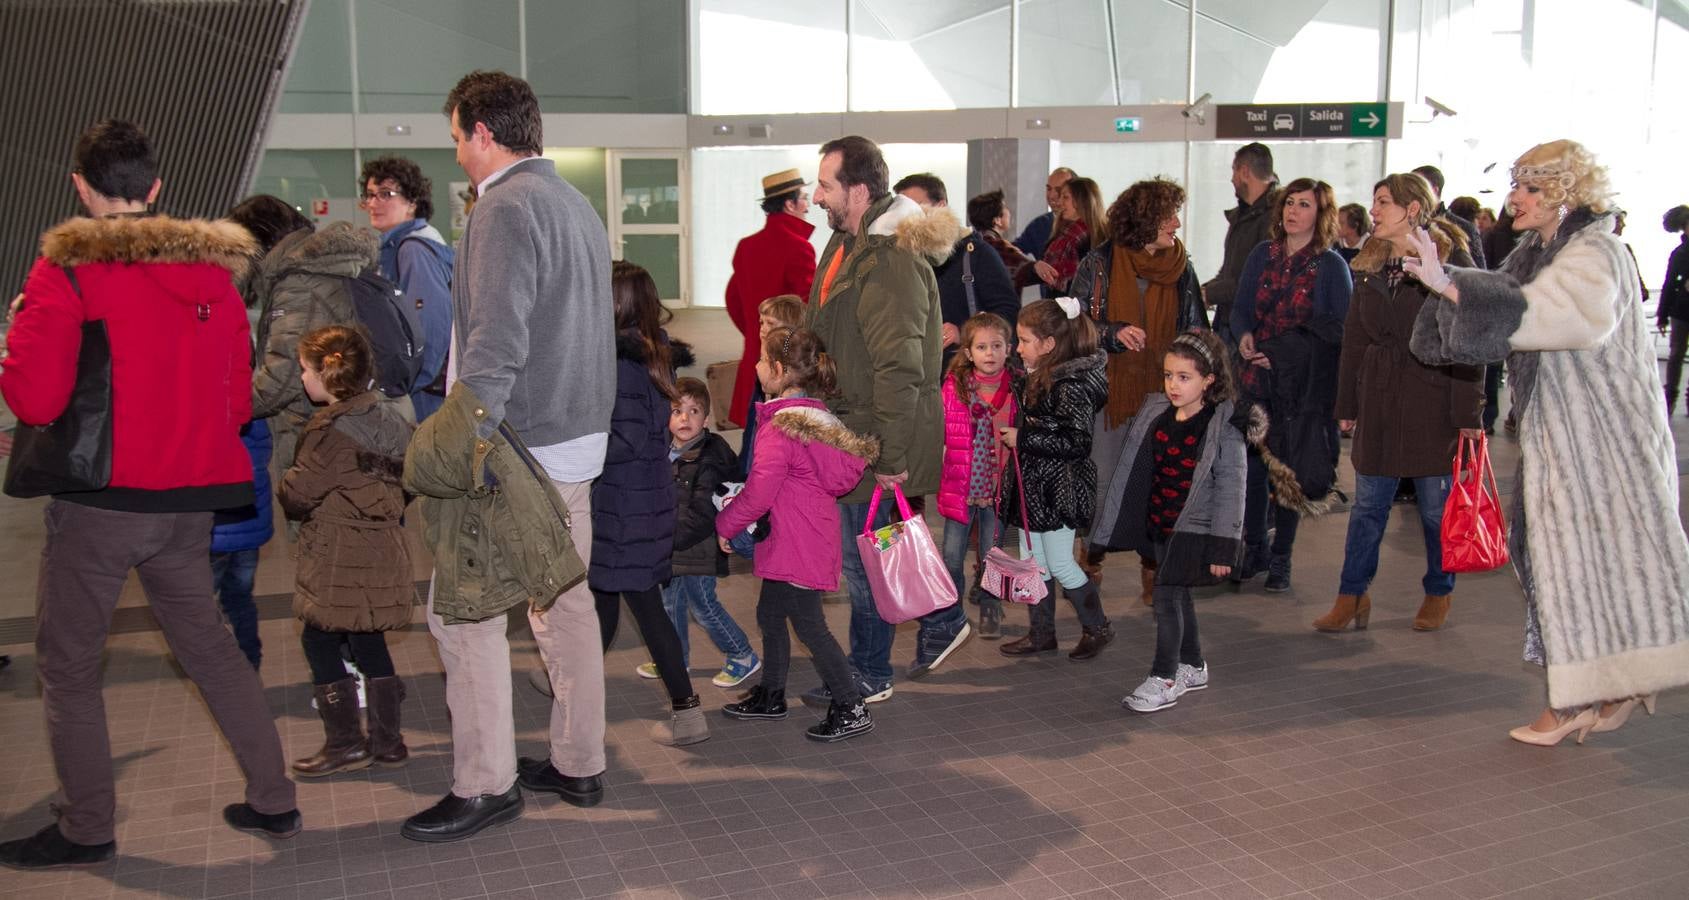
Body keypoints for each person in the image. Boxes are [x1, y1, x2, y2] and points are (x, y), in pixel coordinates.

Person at [0, 120, 299, 869]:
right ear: (156, 189)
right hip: (190, 502)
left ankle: (86, 825)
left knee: (67, 664)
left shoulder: (63, 274)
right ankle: (274, 798)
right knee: (211, 650)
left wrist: (15, 343)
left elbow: (36, 401)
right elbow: (235, 403)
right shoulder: (214, 279)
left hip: (101, 504)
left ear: (80, 187)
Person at [1405, 139, 1689, 746]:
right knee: (1573, 564)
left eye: (1531, 188)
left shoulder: (1598, 250)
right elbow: (1501, 304)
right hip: (1567, 439)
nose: (1515, 199)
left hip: (1603, 442)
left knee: (1584, 565)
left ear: (1563, 193)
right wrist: (1446, 281)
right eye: (1517, 185)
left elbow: (1566, 316)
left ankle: (1573, 699)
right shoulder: (1538, 252)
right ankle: (1607, 688)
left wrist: (1452, 286)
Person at [402, 71, 613, 843]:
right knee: (563, 603)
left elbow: (493, 350)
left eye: (457, 135)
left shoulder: (503, 209)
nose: (456, 151)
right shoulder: (573, 203)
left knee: (462, 615)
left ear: (483, 132)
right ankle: (579, 761)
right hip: (575, 443)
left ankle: (485, 783)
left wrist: (451, 449)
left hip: (515, 449)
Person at [806, 135, 957, 704]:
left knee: (867, 564)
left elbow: (901, 367)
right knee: (865, 559)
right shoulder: (848, 244)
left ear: (859, 190)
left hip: (875, 439)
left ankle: (871, 672)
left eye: (826, 185)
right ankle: (928, 629)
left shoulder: (889, 259)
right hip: (851, 432)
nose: (816, 196)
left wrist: (889, 458)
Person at [1315, 173, 1480, 634]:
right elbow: (1354, 338)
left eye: (1383, 202)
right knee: (1368, 507)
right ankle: (1352, 594)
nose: (1374, 211)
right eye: (1374, 202)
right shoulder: (1368, 262)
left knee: (1432, 509)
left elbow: (1470, 338)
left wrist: (1468, 413)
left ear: (1412, 209)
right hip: (1381, 399)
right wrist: (1347, 401)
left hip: (1434, 399)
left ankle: (1438, 592)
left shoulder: (1449, 259)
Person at [717, 327, 880, 741]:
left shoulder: (782, 427)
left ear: (777, 369)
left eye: (759, 359)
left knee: (809, 626)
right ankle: (771, 694)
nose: (753, 366)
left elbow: (758, 492)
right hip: (804, 537)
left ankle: (850, 704)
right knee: (770, 614)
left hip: (796, 542)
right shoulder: (818, 420)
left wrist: (725, 524)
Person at [279, 326, 415, 778]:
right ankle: (388, 741)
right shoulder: (392, 418)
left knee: (317, 637)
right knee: (368, 635)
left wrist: (285, 478)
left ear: (328, 375)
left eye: (304, 370)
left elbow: (297, 495)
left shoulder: (329, 434)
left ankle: (344, 742)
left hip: (339, 556)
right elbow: (411, 480)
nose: (301, 379)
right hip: (383, 549)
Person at [1071, 178, 1207, 605]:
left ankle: (1155, 570)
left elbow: (1197, 328)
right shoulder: (1100, 263)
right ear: (1145, 219)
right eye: (1169, 216)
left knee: (1159, 484)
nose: (1177, 224)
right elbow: (1075, 325)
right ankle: (1090, 563)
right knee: (1105, 482)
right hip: (1112, 394)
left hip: (1167, 395)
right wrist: (1113, 333)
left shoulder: (1182, 267)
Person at [1092, 331, 1244, 713]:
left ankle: (1164, 677)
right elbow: (1135, 469)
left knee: (1166, 599)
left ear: (1209, 380)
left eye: (1184, 377)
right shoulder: (1157, 415)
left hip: (1193, 530)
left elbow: (1231, 492)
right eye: (1168, 375)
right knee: (1179, 597)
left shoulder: (1222, 428)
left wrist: (1223, 547)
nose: (1173, 385)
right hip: (1161, 524)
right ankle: (1192, 664)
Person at [592, 261, 707, 747]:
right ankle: (565, 678)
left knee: (635, 606)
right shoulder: (652, 354)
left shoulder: (625, 363)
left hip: (625, 505)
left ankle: (688, 712)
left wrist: (582, 446)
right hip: (637, 500)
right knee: (603, 602)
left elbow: (629, 438)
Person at [1231, 178, 1354, 593]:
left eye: (1304, 205)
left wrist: (1282, 352)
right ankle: (1253, 549)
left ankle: (1281, 556)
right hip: (1255, 379)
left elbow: (1337, 329)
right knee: (1249, 469)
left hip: (1298, 388)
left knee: (1286, 474)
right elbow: (1241, 308)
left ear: (1320, 215)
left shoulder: (1331, 266)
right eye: (1289, 203)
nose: (1293, 211)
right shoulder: (1261, 255)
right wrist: (1245, 334)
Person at [997, 298, 1112, 660]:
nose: (1018, 348)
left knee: (1060, 562)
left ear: (1048, 345)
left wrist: (1024, 437)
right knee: (1034, 561)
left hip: (1059, 487)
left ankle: (1098, 626)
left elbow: (1077, 443)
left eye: (1025, 340)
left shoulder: (1070, 385)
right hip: (1037, 485)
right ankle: (1041, 633)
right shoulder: (1041, 373)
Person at [237, 198, 381, 472]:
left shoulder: (299, 282)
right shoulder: (322, 266)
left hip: (315, 431)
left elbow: (282, 378)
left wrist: (222, 406)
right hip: (343, 422)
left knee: (316, 507)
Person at [646, 376, 760, 687]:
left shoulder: (709, 456)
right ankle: (674, 659)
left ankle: (742, 654)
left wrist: (667, 541)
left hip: (699, 546)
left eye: (694, 411)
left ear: (706, 418)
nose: (685, 418)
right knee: (670, 604)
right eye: (677, 411)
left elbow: (702, 513)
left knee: (703, 606)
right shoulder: (666, 452)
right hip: (672, 546)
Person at [938, 312, 1019, 641]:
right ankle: (950, 613)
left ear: (1008, 349)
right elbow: (940, 431)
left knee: (992, 553)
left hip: (999, 486)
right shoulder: (954, 388)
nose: (990, 353)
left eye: (996, 345)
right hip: (960, 486)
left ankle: (989, 606)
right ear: (968, 353)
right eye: (982, 347)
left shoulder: (1016, 389)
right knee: (952, 555)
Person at [360, 155, 454, 421]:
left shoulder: (413, 250)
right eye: (370, 195)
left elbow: (431, 327)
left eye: (386, 194)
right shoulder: (401, 247)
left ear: (412, 203)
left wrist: (406, 387)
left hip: (424, 394)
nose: (373, 203)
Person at [725, 168, 816, 433]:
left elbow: (733, 300)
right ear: (790, 203)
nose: (808, 206)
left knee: (754, 429)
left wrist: (757, 331)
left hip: (756, 350)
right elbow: (808, 306)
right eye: (804, 198)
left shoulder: (747, 246)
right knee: (785, 428)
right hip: (788, 356)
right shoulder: (799, 247)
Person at [895, 173, 1017, 363]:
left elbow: (1008, 313)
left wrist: (964, 333)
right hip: (919, 372)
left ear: (941, 206)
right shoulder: (904, 257)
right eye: (903, 209)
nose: (910, 216)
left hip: (964, 375)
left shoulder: (977, 254)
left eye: (917, 206)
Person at [210, 419, 273, 671]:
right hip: (249, 527)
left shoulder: (206, 418)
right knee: (241, 599)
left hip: (214, 533)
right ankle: (251, 661)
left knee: (199, 605)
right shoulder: (253, 411)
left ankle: (218, 664)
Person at [1204, 143, 1278, 344]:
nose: (1231, 179)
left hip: (1252, 328)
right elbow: (1229, 270)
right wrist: (1203, 290)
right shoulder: (1242, 216)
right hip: (1229, 320)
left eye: (1234, 171)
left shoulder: (1273, 218)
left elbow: (1256, 279)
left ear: (1245, 172)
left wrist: (1209, 293)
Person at [1018, 176, 1104, 298]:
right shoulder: (1059, 234)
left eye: (1065, 197)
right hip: (1057, 308)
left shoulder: (1093, 238)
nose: (1059, 202)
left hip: (1080, 311)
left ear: (1081, 201)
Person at [1410, 165, 1487, 270]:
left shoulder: (1463, 228)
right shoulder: (1406, 224)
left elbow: (1479, 275)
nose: (1409, 193)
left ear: (1434, 190)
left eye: (1416, 187)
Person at [1658, 204, 1689, 414]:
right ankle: (1670, 398)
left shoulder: (1680, 252)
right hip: (1681, 311)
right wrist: (1662, 314)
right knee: (1677, 353)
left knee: (1676, 354)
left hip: (1680, 310)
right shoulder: (1679, 253)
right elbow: (1669, 284)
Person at [1013, 167, 1076, 259]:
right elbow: (1013, 252)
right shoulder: (1040, 224)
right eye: (1049, 189)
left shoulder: (1090, 227)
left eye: (1058, 190)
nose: (1051, 196)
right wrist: (1032, 267)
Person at [969, 188, 1034, 274]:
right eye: (1005, 207)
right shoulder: (999, 247)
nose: (1009, 212)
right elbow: (1030, 269)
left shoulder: (972, 244)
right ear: (997, 220)